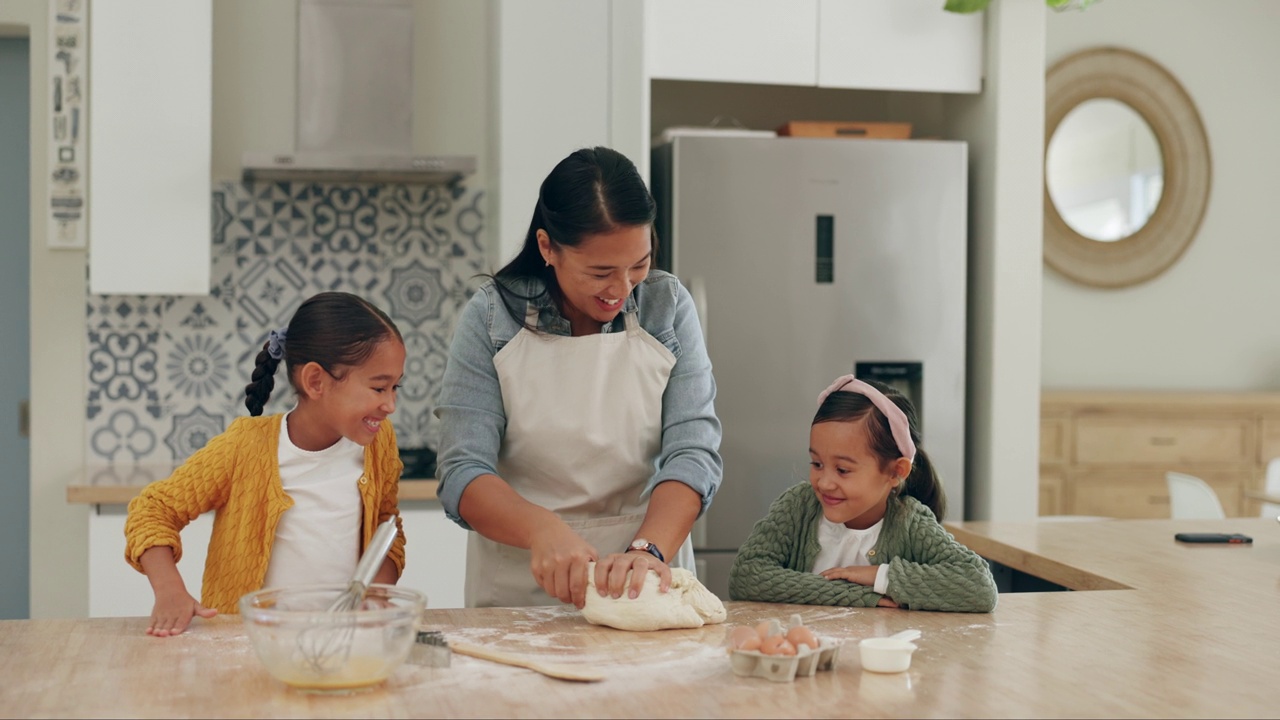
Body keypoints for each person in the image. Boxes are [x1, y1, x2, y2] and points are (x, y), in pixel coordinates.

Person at [434, 146, 723, 609]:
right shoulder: (492, 317)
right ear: (547, 247)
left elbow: (693, 451)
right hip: (520, 586)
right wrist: (542, 529)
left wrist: (647, 551)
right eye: (600, 271)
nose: (622, 288)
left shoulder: (665, 307)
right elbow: (462, 471)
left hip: (643, 577)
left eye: (638, 264)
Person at [124, 291, 408, 636]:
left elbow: (386, 525)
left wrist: (374, 593)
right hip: (249, 643)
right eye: (379, 388)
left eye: (396, 387)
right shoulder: (245, 447)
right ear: (316, 381)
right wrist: (169, 591)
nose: (390, 404)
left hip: (340, 641)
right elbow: (153, 510)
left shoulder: (379, 443)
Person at [728, 375, 997, 612]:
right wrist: (854, 594)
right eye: (817, 464)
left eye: (843, 470)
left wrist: (881, 576)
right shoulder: (798, 506)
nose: (824, 483)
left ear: (895, 472)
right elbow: (747, 576)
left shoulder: (909, 522)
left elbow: (980, 586)